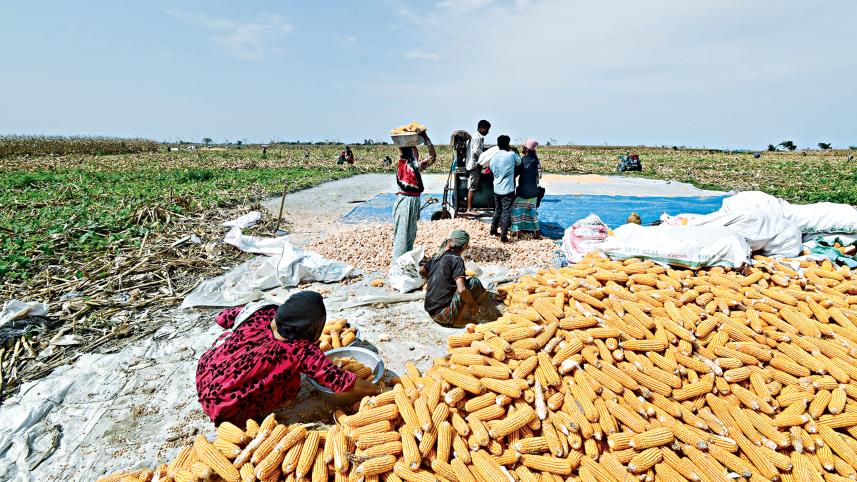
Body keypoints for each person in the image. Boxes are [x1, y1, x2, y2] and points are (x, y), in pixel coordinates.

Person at [195, 291, 380, 424]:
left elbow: (222, 318)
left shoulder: (261, 312)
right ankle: (249, 410)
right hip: (228, 408)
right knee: (291, 382)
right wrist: (378, 390)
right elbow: (341, 382)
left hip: (206, 377)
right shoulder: (300, 350)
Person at [422, 230, 487, 327]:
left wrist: (432, 280)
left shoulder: (439, 255)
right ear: (464, 247)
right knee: (474, 282)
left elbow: (422, 271)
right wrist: (473, 306)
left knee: (462, 284)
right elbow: (461, 290)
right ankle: (459, 319)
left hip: (431, 311)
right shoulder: (457, 259)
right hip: (443, 315)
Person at [392, 131, 436, 259]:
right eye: (415, 152)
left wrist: (427, 138)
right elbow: (401, 148)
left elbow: (432, 157)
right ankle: (398, 263)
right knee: (402, 233)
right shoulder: (403, 163)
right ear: (410, 153)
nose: (417, 155)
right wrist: (404, 140)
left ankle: (405, 259)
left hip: (414, 200)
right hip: (405, 200)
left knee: (410, 233)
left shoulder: (416, 167)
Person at [488, 135, 521, 242]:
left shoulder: (493, 157)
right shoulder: (511, 154)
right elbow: (519, 162)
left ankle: (493, 230)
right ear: (508, 144)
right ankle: (503, 235)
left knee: (497, 210)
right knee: (506, 212)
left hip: (496, 188)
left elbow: (492, 168)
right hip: (508, 189)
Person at [510, 138, 542, 238]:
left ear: (526, 149)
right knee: (532, 212)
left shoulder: (522, 160)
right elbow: (539, 176)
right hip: (533, 191)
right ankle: (537, 233)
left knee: (516, 210)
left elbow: (515, 174)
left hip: (523, 191)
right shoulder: (537, 161)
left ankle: (517, 231)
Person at [465, 120, 491, 213]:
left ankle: (470, 207)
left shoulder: (477, 137)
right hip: (474, 166)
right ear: (481, 128)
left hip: (474, 165)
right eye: (487, 129)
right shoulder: (477, 138)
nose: (488, 131)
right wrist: (486, 156)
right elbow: (476, 151)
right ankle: (469, 209)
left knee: (473, 187)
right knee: (472, 187)